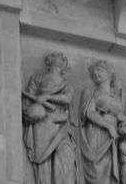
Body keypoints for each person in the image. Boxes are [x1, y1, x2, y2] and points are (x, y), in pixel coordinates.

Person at [22, 53, 77, 184]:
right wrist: (31, 110)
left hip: (60, 122)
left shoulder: (66, 84)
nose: (60, 59)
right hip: (42, 122)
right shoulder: (37, 78)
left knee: (66, 152)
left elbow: (67, 99)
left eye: (62, 59)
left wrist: (46, 97)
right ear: (49, 61)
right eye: (56, 57)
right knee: (42, 159)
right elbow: (28, 98)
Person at [78, 61, 121, 184]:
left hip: (113, 137)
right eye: (94, 72)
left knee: (109, 169)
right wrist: (109, 127)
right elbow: (89, 113)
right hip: (96, 133)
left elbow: (121, 116)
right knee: (96, 169)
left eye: (100, 70)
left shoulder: (116, 97)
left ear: (109, 74)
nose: (96, 73)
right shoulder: (91, 92)